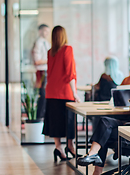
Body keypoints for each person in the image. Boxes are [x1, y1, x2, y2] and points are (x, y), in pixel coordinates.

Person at [42, 25, 80, 162]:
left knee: (55, 122)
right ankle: (70, 146)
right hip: (64, 93)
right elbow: (70, 73)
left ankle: (58, 147)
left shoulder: (50, 52)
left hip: (51, 92)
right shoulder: (67, 49)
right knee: (69, 121)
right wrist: (74, 93)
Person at [32, 24, 51, 119]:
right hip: (41, 71)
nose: (47, 33)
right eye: (45, 31)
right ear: (40, 31)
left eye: (48, 31)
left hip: (46, 71)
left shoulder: (46, 42)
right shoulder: (39, 43)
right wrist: (50, 60)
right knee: (42, 95)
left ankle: (42, 115)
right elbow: (37, 61)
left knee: (45, 95)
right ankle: (39, 116)